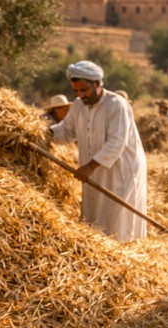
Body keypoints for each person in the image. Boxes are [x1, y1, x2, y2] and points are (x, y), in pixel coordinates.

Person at [49, 60, 148, 241]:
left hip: (121, 170)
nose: (80, 95)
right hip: (93, 169)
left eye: (84, 90)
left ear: (97, 83)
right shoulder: (78, 105)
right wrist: (44, 133)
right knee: (95, 218)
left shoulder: (117, 105)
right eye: (76, 91)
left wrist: (90, 167)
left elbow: (117, 142)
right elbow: (67, 131)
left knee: (117, 218)